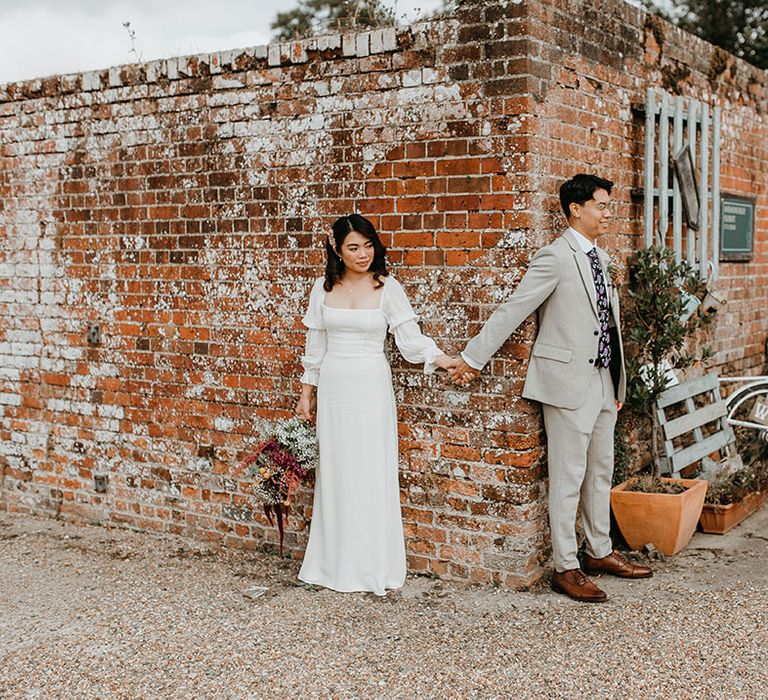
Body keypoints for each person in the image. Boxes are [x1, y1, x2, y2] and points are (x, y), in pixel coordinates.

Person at [450, 173, 652, 602]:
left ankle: (599, 550)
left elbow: (610, 325)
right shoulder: (555, 257)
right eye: (602, 204)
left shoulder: (600, 257)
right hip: (565, 384)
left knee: (601, 471)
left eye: (608, 205)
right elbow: (515, 308)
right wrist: (472, 357)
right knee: (567, 477)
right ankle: (566, 566)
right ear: (575, 209)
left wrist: (617, 379)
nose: (607, 212)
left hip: (601, 382)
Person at [295, 213, 455, 595]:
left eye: (368, 245)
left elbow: (409, 340)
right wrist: (306, 394)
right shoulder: (323, 287)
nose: (363, 253)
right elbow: (315, 348)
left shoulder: (387, 286)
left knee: (369, 468)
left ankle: (371, 565)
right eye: (353, 247)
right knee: (336, 470)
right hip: (334, 387)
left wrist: (443, 358)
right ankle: (333, 563)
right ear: (337, 249)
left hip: (370, 386)